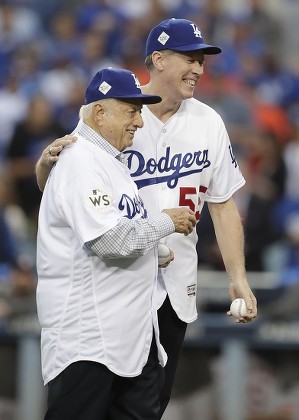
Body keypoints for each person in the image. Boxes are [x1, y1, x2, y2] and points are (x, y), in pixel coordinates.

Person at [36, 18, 258, 418]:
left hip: (173, 285)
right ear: (158, 59)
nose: (198, 68)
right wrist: (42, 167)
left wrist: (237, 277)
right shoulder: (118, 110)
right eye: (189, 58)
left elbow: (222, 202)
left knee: (147, 407)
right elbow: (67, 184)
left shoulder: (208, 122)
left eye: (202, 59)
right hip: (110, 290)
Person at [36, 67, 197, 420]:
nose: (140, 121)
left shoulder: (110, 163)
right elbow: (108, 240)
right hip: (87, 345)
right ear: (99, 112)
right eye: (131, 110)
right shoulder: (82, 164)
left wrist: (155, 251)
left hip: (127, 341)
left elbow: (114, 229)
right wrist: (166, 221)